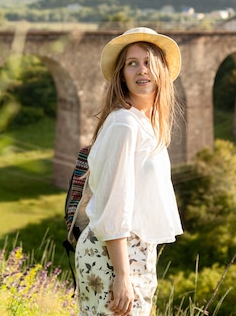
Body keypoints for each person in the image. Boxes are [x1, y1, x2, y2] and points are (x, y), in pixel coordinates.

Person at [75, 27, 183, 316]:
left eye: (148, 61)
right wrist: (122, 275)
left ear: (161, 69)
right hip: (114, 255)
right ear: (121, 75)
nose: (141, 70)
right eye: (131, 63)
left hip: (133, 252)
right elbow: (115, 203)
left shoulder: (145, 123)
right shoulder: (125, 125)